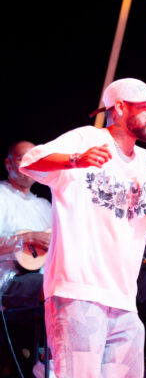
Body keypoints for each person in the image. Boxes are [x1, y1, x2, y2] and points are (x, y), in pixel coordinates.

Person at [19, 78, 146, 377]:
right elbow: (29, 162)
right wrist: (74, 160)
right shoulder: (86, 138)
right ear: (120, 107)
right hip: (77, 293)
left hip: (125, 302)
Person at [0, 141, 53, 377]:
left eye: (35, 158)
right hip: (8, 281)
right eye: (23, 158)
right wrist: (28, 238)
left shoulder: (44, 206)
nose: (29, 163)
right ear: (8, 164)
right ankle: (47, 363)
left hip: (39, 277)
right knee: (54, 286)